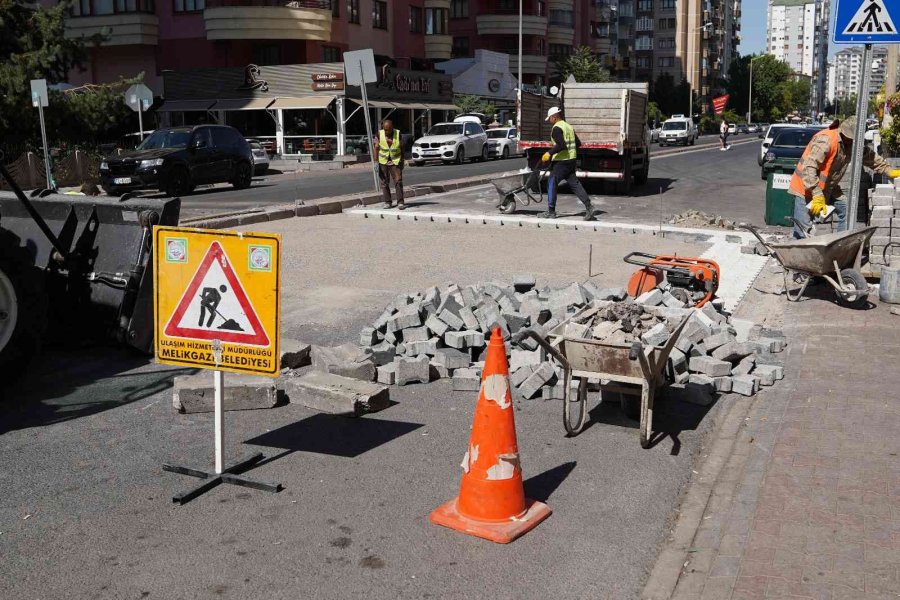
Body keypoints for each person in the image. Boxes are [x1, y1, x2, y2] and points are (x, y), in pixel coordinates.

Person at [788, 116, 900, 238]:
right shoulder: (826, 140)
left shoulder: (851, 143)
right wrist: (816, 194)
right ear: (843, 132)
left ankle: (840, 243)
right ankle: (797, 248)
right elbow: (809, 167)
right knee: (803, 231)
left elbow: (870, 157)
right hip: (806, 187)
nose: (851, 142)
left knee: (847, 210)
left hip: (828, 187)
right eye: (850, 139)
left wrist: (889, 170)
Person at [538, 107, 595, 220]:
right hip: (571, 161)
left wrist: (549, 153)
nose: (549, 120)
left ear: (554, 117)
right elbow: (578, 143)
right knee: (575, 184)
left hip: (561, 162)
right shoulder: (568, 127)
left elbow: (561, 145)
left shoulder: (556, 128)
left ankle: (551, 212)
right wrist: (570, 153)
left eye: (550, 118)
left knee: (551, 183)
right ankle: (589, 207)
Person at [372, 119, 405, 209]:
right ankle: (388, 202)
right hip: (383, 161)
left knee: (398, 181)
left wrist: (402, 160)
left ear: (392, 128)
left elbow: (402, 147)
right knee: (384, 182)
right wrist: (376, 162)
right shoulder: (379, 134)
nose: (387, 132)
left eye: (388, 130)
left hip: (395, 161)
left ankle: (400, 202)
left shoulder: (398, 133)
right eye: (385, 129)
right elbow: (376, 148)